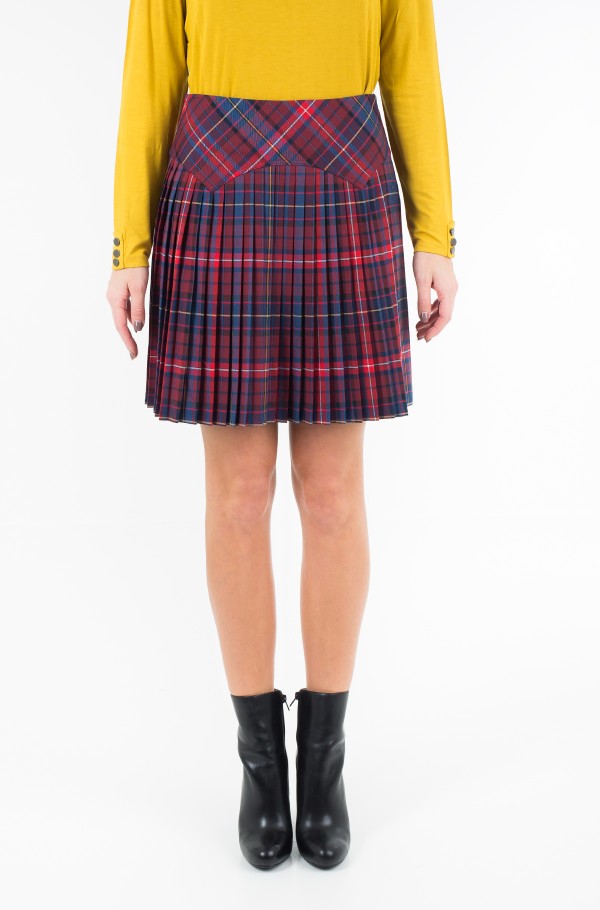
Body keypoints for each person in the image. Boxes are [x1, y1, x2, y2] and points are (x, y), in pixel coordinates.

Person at [105, 0, 458, 870]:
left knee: (331, 496)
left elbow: (410, 60)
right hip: (216, 180)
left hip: (347, 178)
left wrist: (435, 233)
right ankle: (261, 764)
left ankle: (323, 761)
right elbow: (152, 67)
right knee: (238, 495)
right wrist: (129, 246)